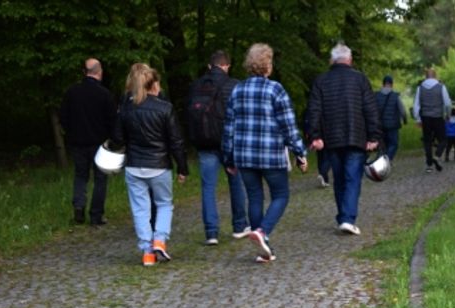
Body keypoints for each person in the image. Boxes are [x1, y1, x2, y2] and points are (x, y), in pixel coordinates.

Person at [222, 43, 308, 263]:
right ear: (267, 65)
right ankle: (263, 232)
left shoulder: (237, 90)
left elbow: (229, 127)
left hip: (245, 156)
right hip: (271, 155)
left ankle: (264, 248)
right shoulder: (276, 90)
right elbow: (288, 126)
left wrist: (228, 157)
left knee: (255, 197)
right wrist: (300, 152)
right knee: (281, 195)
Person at [111, 64, 188, 266]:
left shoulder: (126, 109)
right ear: (154, 84)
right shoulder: (165, 108)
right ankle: (160, 240)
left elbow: (117, 138)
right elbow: (176, 141)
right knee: (163, 204)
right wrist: (182, 167)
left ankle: (147, 252)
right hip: (160, 165)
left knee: (140, 209)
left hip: (134, 165)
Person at [306, 43, 381, 236]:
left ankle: (343, 216)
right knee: (352, 178)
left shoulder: (321, 81)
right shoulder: (360, 80)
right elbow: (370, 109)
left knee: (339, 179)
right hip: (356, 136)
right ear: (350, 60)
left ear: (332, 60)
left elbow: (314, 110)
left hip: (331, 139)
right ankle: (347, 218)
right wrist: (373, 136)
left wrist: (315, 135)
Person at [187, 50, 248, 245]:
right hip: (230, 143)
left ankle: (211, 232)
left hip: (205, 143)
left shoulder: (197, 86)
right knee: (236, 183)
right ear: (227, 66)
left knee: (208, 188)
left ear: (209, 66)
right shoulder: (234, 85)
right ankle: (239, 225)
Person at [59, 58, 116, 226]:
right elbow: (112, 121)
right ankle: (96, 215)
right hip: (100, 143)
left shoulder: (72, 92)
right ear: (99, 72)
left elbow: (64, 117)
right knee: (100, 178)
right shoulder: (105, 94)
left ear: (85, 72)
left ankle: (79, 208)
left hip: (77, 142)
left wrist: (71, 132)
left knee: (80, 175)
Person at [413, 68, 451, 172]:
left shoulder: (420, 88)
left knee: (427, 141)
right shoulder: (441, 87)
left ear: (426, 76)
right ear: (435, 76)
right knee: (443, 140)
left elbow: (416, 104)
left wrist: (417, 118)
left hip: (425, 117)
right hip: (438, 117)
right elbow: (447, 103)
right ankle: (437, 155)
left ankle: (429, 165)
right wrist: (447, 114)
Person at [376, 75, 408, 161]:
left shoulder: (376, 96)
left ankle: (381, 161)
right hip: (393, 125)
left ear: (383, 84)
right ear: (392, 84)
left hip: (380, 125)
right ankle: (387, 160)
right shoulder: (395, 96)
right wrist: (404, 120)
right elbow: (402, 110)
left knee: (383, 145)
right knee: (393, 144)